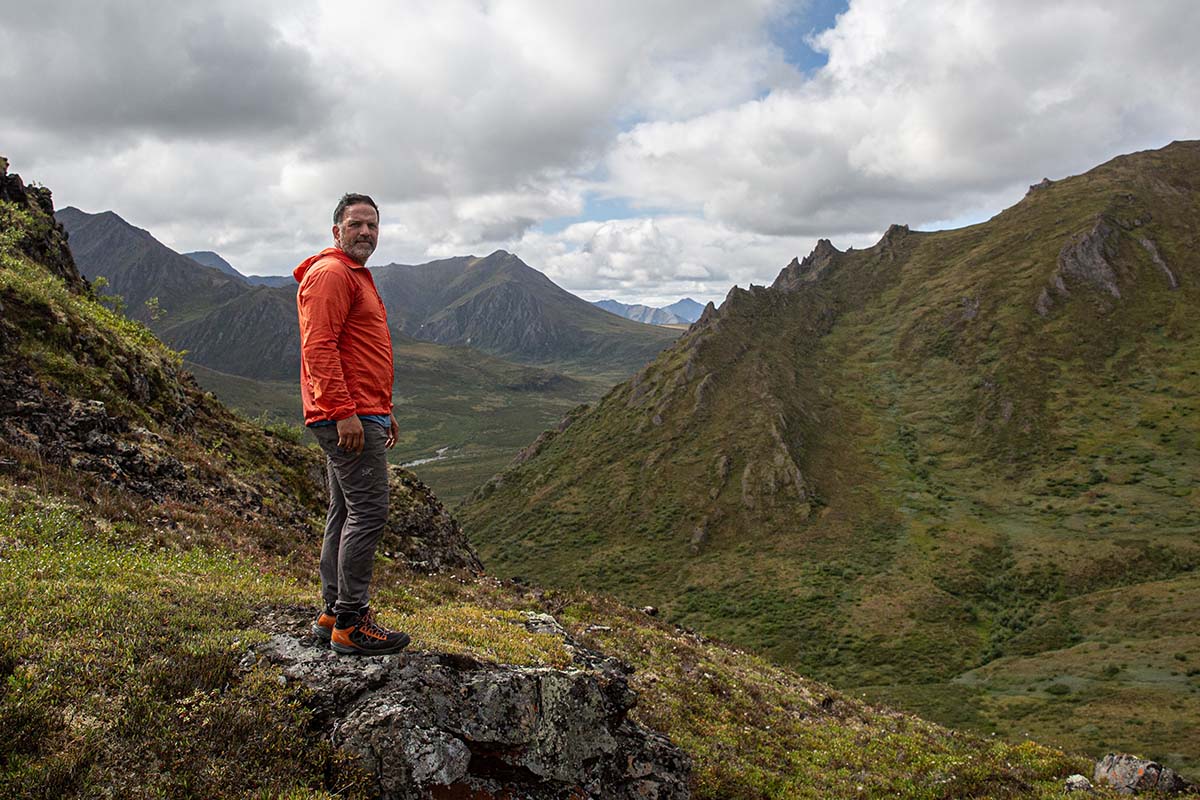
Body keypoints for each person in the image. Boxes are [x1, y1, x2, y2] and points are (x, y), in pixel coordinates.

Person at [293, 192, 410, 655]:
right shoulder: (332, 274)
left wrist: (382, 409)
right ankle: (351, 622)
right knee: (368, 513)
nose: (366, 232)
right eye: (356, 224)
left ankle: (331, 612)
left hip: (363, 412)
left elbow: (356, 352)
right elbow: (318, 348)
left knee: (343, 512)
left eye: (373, 226)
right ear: (336, 230)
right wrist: (345, 412)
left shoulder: (352, 274)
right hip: (346, 416)